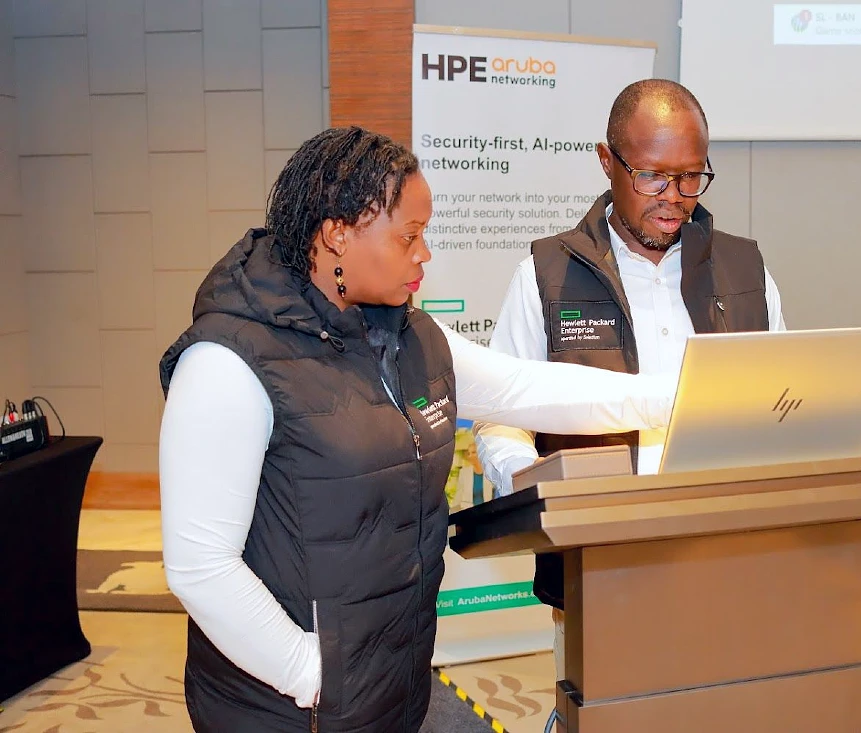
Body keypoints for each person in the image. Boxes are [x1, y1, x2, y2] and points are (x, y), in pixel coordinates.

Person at [157, 127, 679, 733]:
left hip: (390, 682)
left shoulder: (409, 336)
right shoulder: (228, 361)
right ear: (336, 234)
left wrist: (689, 397)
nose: (424, 253)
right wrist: (313, 676)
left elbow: (529, 390)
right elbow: (201, 567)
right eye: (409, 236)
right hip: (286, 707)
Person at [473, 79, 787, 680]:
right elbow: (500, 415)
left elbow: (780, 405)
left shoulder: (746, 270)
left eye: (691, 176)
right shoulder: (547, 276)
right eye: (652, 176)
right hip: (596, 569)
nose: (673, 197)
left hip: (729, 559)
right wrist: (534, 486)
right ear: (606, 162)